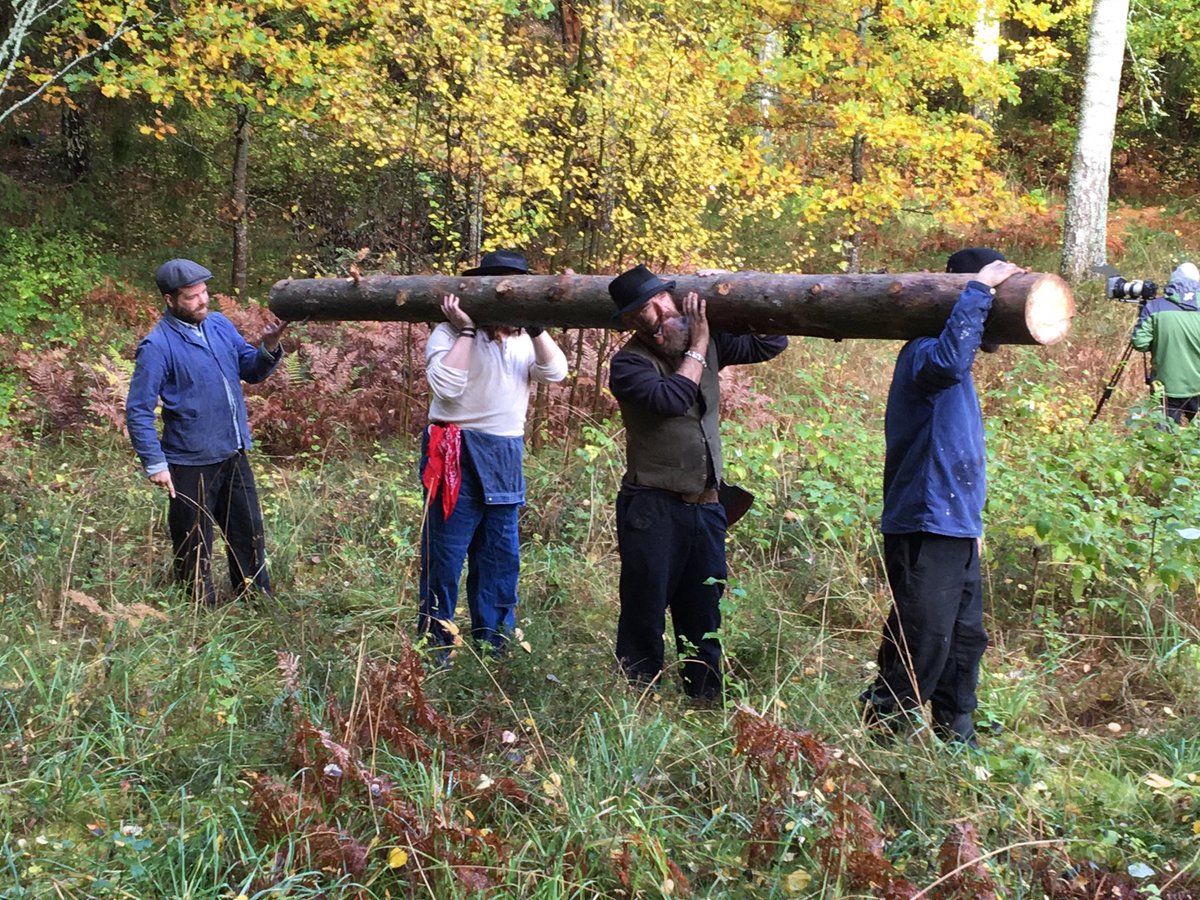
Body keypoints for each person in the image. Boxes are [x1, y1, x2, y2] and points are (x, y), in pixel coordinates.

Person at [860, 248, 1024, 747]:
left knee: (965, 638)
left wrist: (973, 527)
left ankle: (957, 735)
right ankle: (882, 734)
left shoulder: (951, 361)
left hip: (955, 523)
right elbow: (950, 363)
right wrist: (978, 290)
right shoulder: (923, 351)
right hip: (925, 520)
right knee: (924, 636)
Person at [607, 264, 787, 701]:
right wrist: (702, 343)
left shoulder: (707, 341)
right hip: (652, 507)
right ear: (633, 322)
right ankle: (638, 700)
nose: (661, 311)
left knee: (704, 610)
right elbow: (671, 399)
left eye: (663, 300)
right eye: (646, 310)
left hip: (707, 506)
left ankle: (705, 700)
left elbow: (771, 341)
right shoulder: (629, 363)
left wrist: (734, 287)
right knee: (644, 610)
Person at [418, 249, 568, 652]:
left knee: (500, 556)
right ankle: (436, 647)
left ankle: (494, 643)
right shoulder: (448, 334)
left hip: (505, 454)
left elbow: (556, 374)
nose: (507, 298)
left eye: (516, 290)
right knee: (445, 556)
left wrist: (536, 327)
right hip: (455, 451)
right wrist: (466, 331)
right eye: (497, 288)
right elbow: (446, 388)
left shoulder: (524, 340)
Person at [126, 258, 289, 606]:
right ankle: (197, 614)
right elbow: (138, 409)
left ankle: (255, 601)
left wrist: (270, 346)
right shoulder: (157, 346)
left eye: (204, 293)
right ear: (170, 300)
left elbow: (251, 369)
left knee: (248, 534)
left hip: (233, 450)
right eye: (192, 297)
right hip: (190, 461)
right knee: (193, 543)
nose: (202, 301)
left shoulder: (218, 324)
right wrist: (155, 463)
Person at [1131, 262, 1200, 424]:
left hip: (1166, 386)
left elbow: (1139, 343)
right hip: (1198, 386)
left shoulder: (1155, 307)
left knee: (1165, 436)